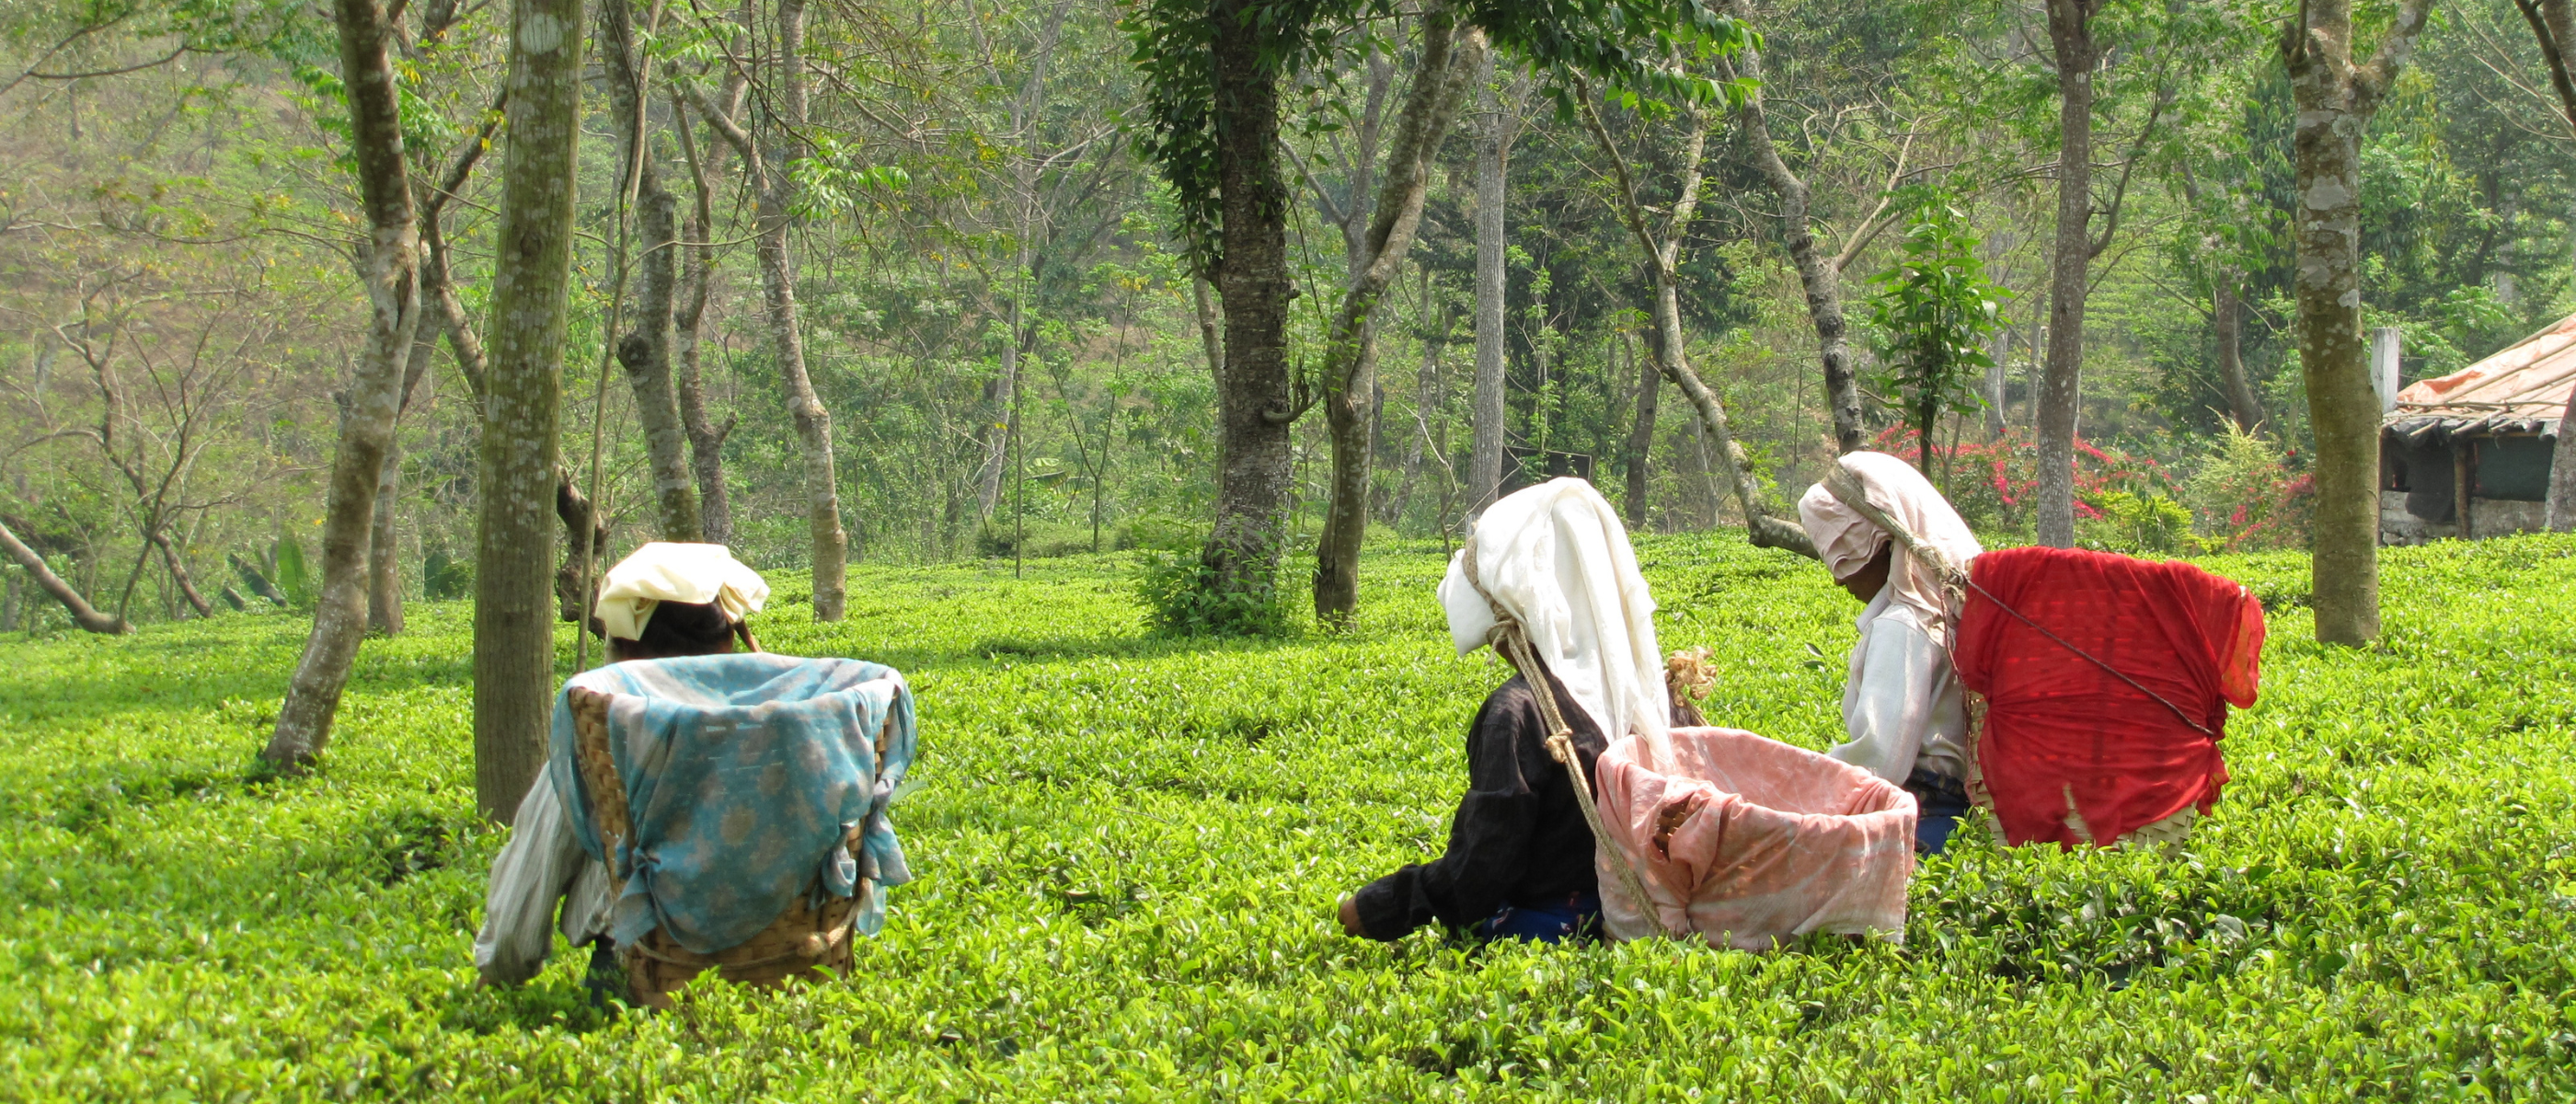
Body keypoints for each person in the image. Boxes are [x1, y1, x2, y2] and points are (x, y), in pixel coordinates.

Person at [1338, 479, 1673, 944]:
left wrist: (1383, 905)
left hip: (1566, 927)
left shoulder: (1518, 714)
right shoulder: (1653, 696)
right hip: (1657, 908)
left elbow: (1484, 866)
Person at [472, 542, 769, 988]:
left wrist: (499, 973)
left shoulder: (601, 731)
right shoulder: (777, 719)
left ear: (625, 645)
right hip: (783, 960)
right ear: (728, 639)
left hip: (642, 963)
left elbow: (534, 872)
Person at [1794, 451, 1984, 855]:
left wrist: (1794, 797)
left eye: (1843, 555)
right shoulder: (1952, 608)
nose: (1838, 578)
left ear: (1880, 541)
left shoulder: (1903, 625)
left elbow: (1877, 762)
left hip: (1925, 820)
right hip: (1964, 816)